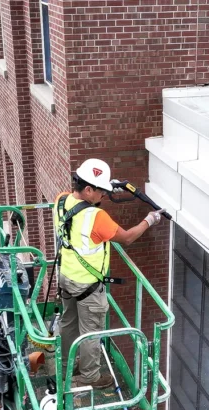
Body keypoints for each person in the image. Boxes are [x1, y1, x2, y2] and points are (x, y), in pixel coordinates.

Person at [53, 158, 163, 388]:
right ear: (88, 189)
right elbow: (127, 238)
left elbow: (80, 206)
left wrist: (107, 184)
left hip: (66, 276)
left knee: (68, 323)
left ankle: (64, 365)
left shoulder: (61, 200)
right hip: (87, 285)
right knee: (90, 332)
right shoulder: (96, 217)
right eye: (100, 191)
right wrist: (149, 220)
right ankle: (90, 376)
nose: (104, 195)